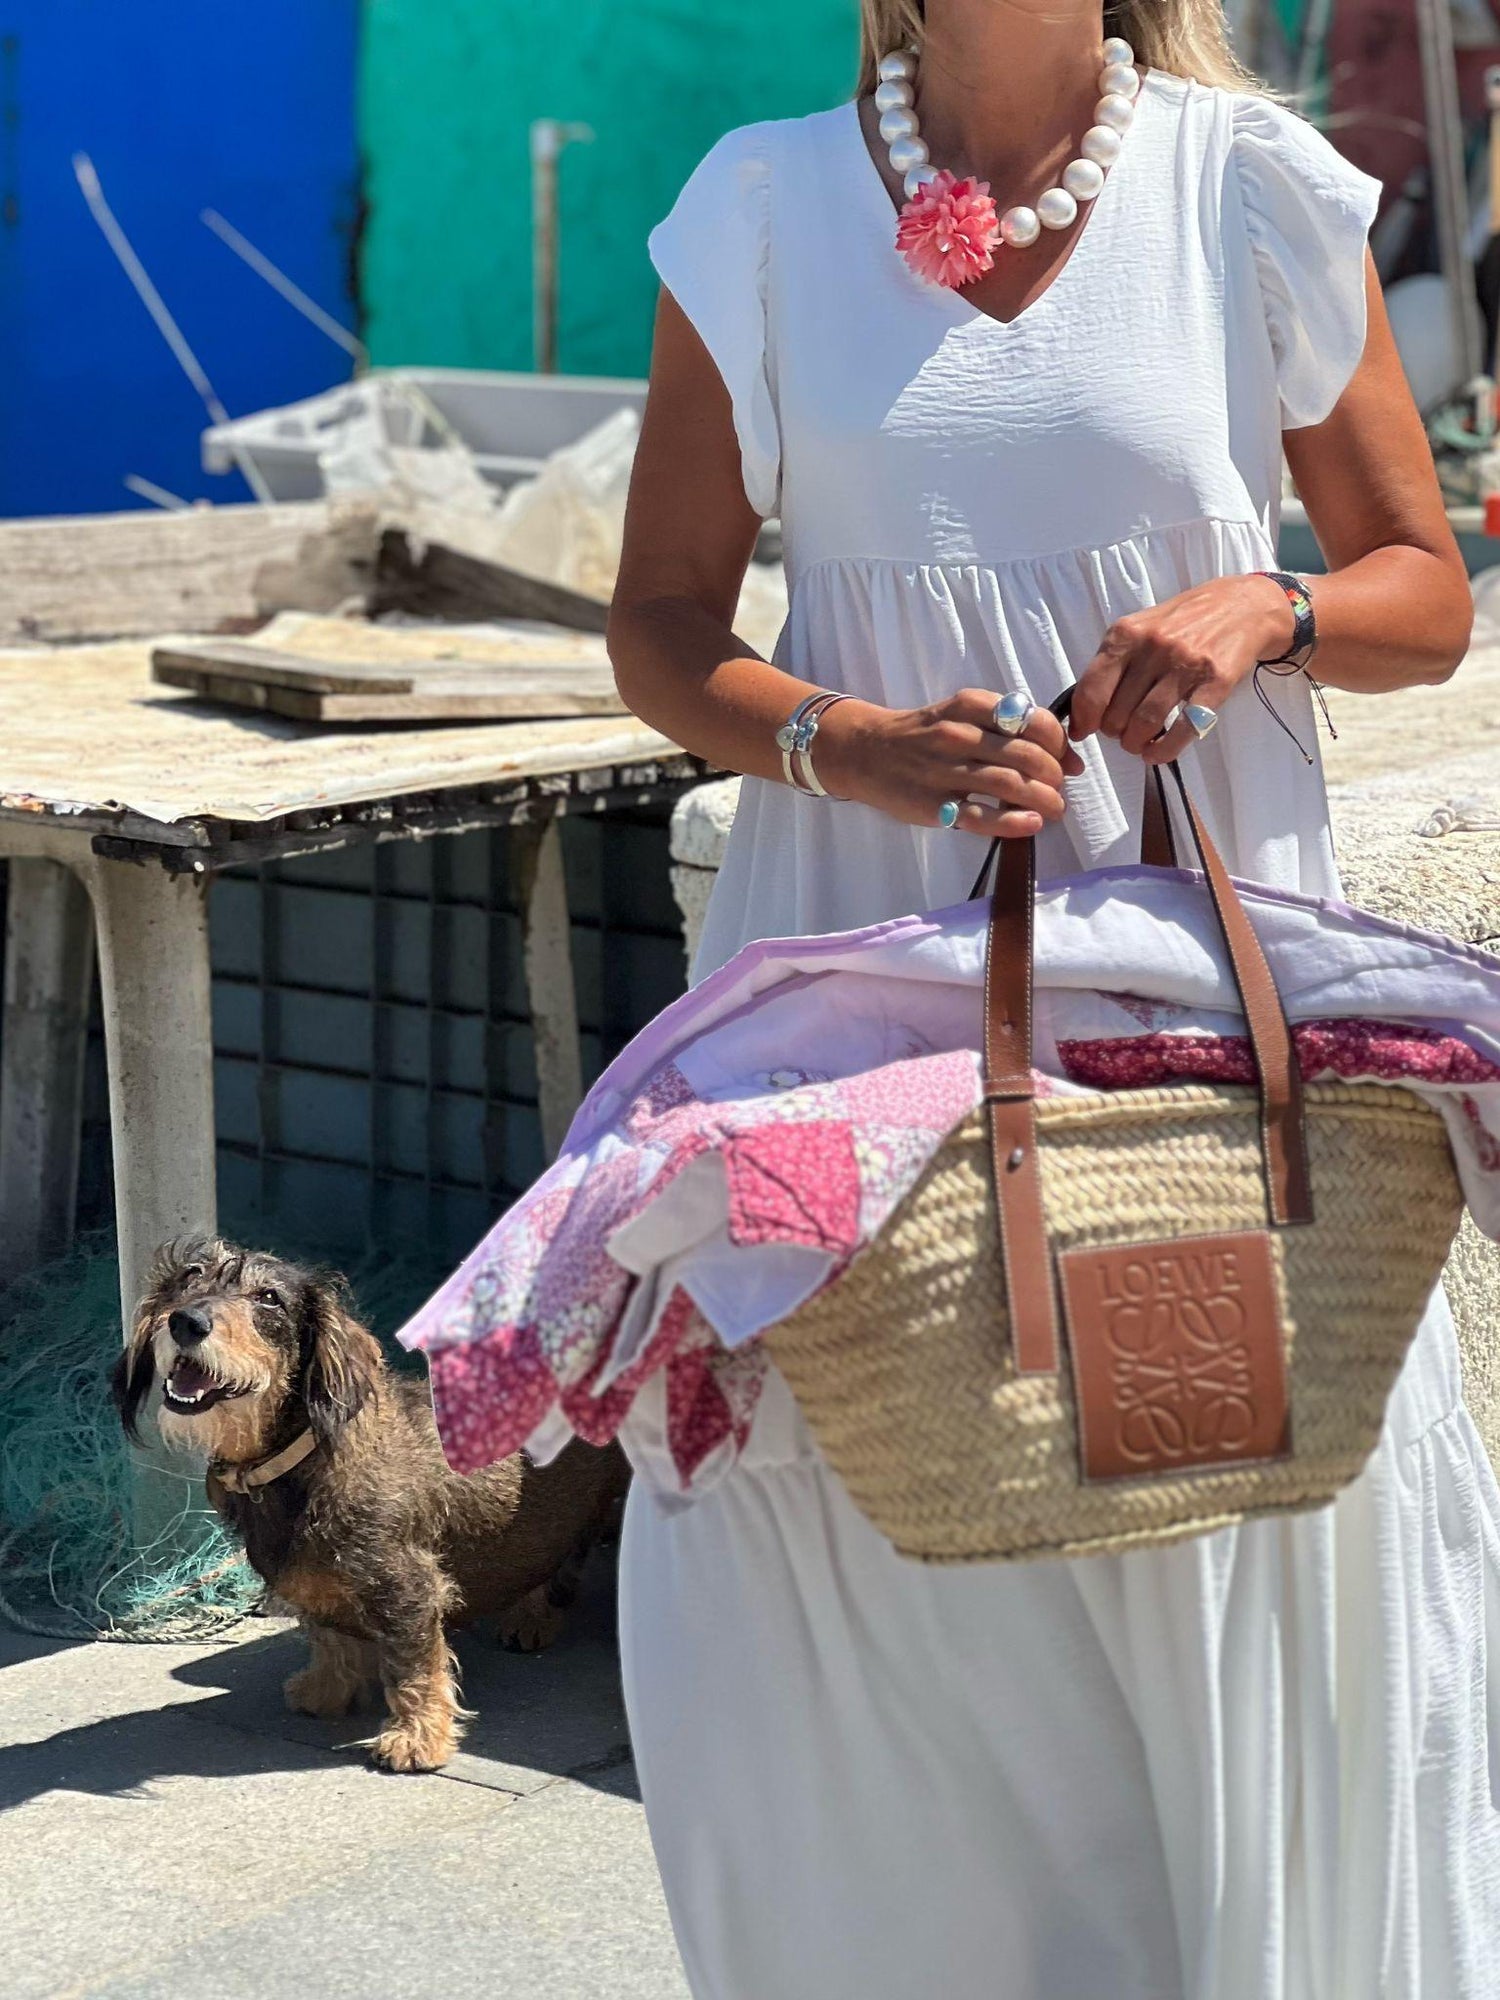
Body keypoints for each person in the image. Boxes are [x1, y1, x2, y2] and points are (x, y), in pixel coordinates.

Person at [606, 1, 1500, 1993]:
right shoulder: (759, 208)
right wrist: (848, 742)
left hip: (1200, 1010)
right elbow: (660, 626)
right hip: (874, 997)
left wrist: (1269, 605)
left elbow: (1424, 592)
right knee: (893, 1542)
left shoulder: (1244, 185)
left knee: (1227, 1494)